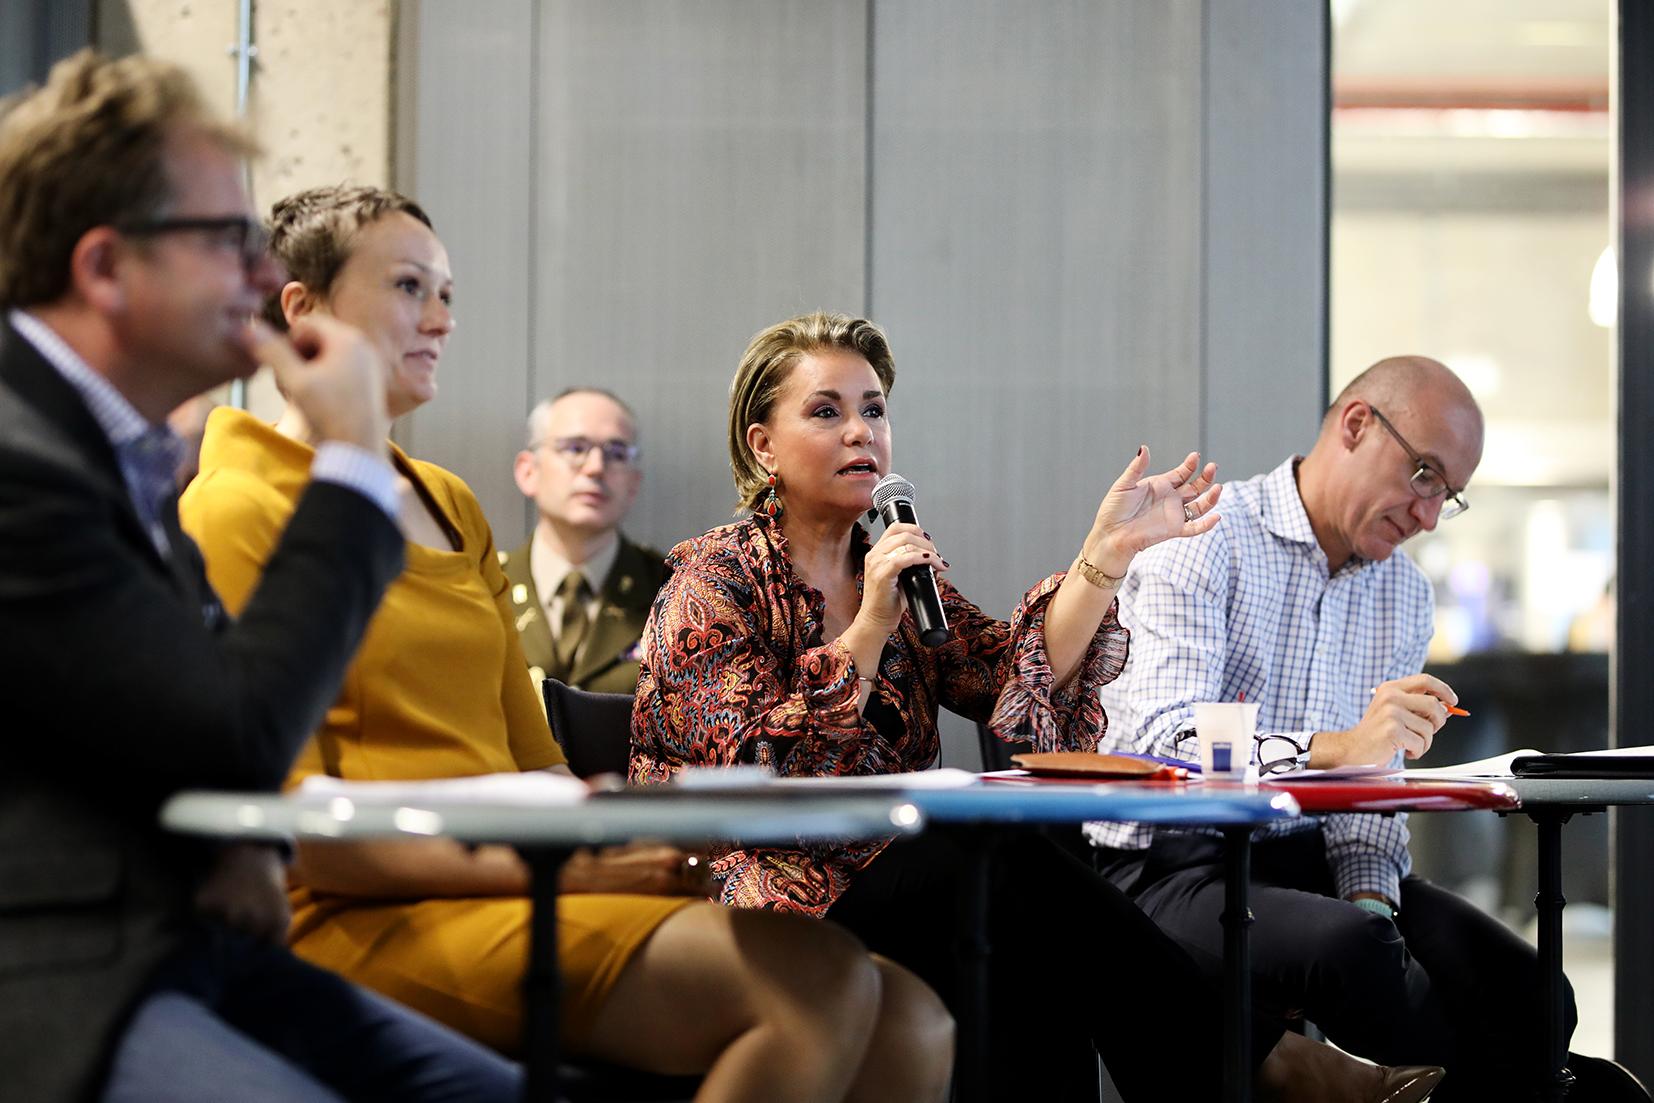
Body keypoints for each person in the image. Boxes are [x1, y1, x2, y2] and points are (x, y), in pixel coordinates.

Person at [179, 186, 955, 1103]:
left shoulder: (447, 501)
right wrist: (580, 859)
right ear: (302, 308)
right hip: (367, 909)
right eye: (407, 287)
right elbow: (299, 833)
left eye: (448, 293)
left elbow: (538, 763)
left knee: (914, 1014)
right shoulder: (230, 508)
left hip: (518, 877)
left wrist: (630, 838)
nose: (440, 318)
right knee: (816, 984)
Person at [631, 310, 1444, 1103]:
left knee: (1027, 930)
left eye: (874, 409)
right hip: (757, 886)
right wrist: (871, 626)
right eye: (827, 410)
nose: (861, 433)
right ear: (762, 444)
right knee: (999, 863)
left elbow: (1006, 672)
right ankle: (1265, 1069)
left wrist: (1105, 555)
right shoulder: (716, 582)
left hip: (900, 877)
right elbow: (745, 763)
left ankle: (1257, 1070)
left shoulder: (893, 566)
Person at [0, 52, 520, 1102]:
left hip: (184, 927)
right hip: (50, 964)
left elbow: (164, 707)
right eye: (229, 240)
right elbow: (233, 729)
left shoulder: (127, 452)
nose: (258, 280)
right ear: (105, 268)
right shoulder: (19, 466)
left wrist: (243, 849)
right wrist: (351, 462)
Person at [1089, 355, 1649, 1102]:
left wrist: (1374, 900)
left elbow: (1370, 802)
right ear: (1355, 425)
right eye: (1424, 473)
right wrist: (1338, 750)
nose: (1427, 514)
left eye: (1448, 496)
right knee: (1364, 963)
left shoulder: (1403, 595)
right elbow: (1167, 749)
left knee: (1535, 993)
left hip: (1309, 855)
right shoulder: (1206, 539)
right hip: (1172, 863)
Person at [504, 388, 664, 693]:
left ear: (633, 484)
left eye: (616, 453)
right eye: (576, 449)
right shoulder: (484, 586)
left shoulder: (671, 592)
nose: (595, 467)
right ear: (528, 472)